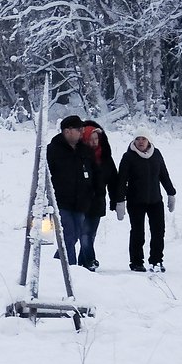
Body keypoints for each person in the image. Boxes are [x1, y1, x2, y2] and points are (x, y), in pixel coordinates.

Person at [45, 115, 107, 269]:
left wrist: (96, 192)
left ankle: (57, 264)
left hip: (81, 203)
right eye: (79, 129)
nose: (81, 133)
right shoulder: (53, 150)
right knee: (68, 235)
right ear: (68, 131)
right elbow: (44, 175)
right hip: (61, 201)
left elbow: (96, 173)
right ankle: (70, 270)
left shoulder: (85, 150)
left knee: (75, 237)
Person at [117, 132, 177, 272]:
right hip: (135, 201)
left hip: (155, 200)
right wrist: (119, 201)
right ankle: (136, 262)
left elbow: (164, 175)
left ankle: (156, 261)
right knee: (138, 232)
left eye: (143, 139)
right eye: (138, 139)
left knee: (158, 231)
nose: (140, 142)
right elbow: (121, 181)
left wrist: (171, 193)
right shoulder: (128, 157)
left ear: (149, 140)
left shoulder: (156, 154)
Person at [77, 120, 120, 270]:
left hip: (98, 202)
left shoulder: (105, 157)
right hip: (81, 202)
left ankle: (82, 263)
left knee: (90, 235)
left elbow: (114, 180)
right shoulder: (79, 157)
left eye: (97, 139)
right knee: (83, 234)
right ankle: (90, 260)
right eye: (91, 139)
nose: (94, 142)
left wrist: (116, 200)